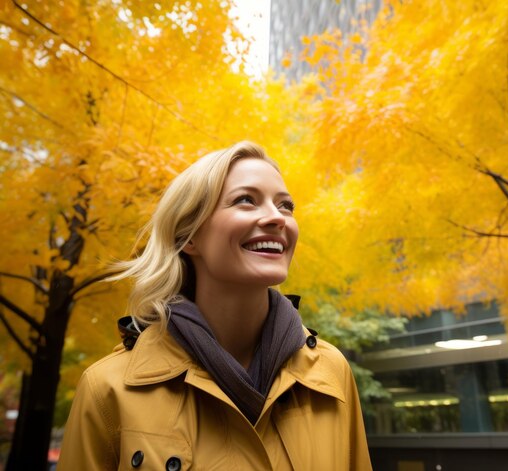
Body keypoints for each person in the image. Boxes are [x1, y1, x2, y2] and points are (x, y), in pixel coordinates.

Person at [57, 141, 372, 470]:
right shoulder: (108, 388)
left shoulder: (331, 372)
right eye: (246, 200)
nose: (277, 218)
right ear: (189, 236)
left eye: (286, 206)